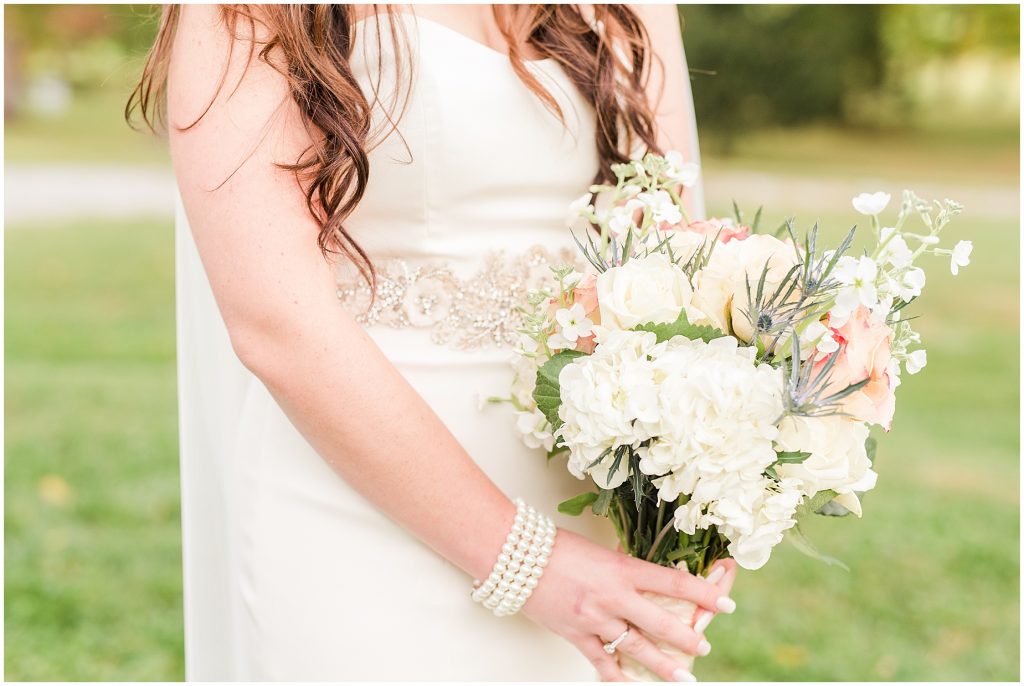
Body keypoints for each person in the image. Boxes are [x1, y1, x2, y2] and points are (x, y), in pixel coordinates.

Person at [130, 3, 736, 680]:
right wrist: (530, 565)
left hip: (587, 511)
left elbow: (680, 263)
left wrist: (699, 502)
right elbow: (276, 322)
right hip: (355, 501)